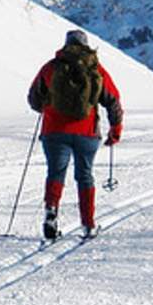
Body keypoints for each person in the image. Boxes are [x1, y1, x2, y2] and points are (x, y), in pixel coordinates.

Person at [26, 28, 124, 240]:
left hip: (54, 131)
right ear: (86, 45)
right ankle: (88, 224)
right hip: (87, 133)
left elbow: (33, 99)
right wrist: (115, 130)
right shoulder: (96, 69)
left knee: (55, 173)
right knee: (85, 175)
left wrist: (47, 106)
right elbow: (113, 101)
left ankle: (51, 212)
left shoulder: (51, 68)